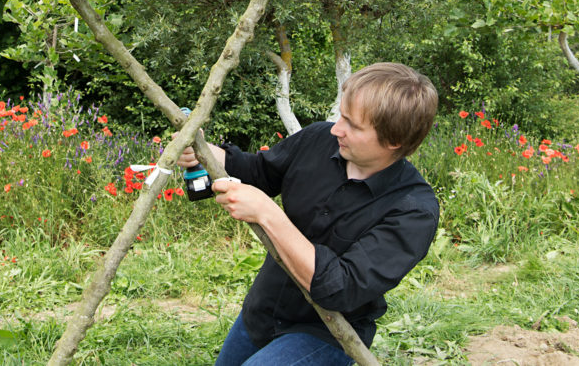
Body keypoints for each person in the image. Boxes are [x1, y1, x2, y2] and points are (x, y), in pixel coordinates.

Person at [177, 62, 440, 366]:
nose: (337, 128)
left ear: (394, 140)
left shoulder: (412, 211)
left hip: (326, 333)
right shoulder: (319, 139)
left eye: (353, 125)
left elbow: (340, 287)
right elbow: (259, 171)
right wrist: (204, 151)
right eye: (341, 115)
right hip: (264, 311)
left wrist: (267, 213)